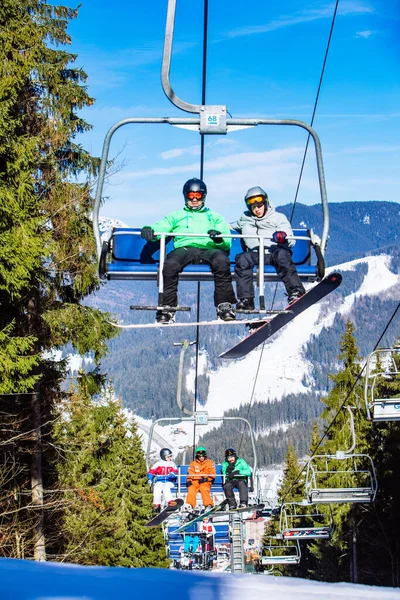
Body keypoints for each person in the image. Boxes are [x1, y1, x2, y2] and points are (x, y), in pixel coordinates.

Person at [141, 178, 236, 323]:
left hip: (209, 248)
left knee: (222, 261)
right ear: (186, 196)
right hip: (185, 248)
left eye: (198, 196)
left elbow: (226, 241)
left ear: (204, 197)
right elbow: (163, 226)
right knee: (170, 264)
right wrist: (151, 230)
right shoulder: (177, 216)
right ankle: (168, 307)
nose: (195, 200)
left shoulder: (215, 217)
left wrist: (218, 239)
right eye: (191, 196)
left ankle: (224, 305)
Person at [232, 186, 306, 309]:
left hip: (273, 253)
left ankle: (296, 291)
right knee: (242, 258)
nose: (257, 209)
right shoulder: (244, 219)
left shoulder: (278, 218)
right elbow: (228, 226)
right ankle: (246, 300)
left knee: (282, 255)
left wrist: (282, 236)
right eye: (253, 207)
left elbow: (290, 238)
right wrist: (216, 228)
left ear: (265, 203)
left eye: (260, 205)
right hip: (255, 254)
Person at [147, 447, 178, 513]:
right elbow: (151, 472)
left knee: (165, 486)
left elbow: (176, 472)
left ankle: (170, 501)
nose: (170, 458)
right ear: (164, 457)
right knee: (157, 487)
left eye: (170, 456)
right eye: (168, 457)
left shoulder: (172, 464)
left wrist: (172, 474)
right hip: (160, 481)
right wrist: (150, 479)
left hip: (170, 482)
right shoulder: (158, 464)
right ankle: (156, 504)